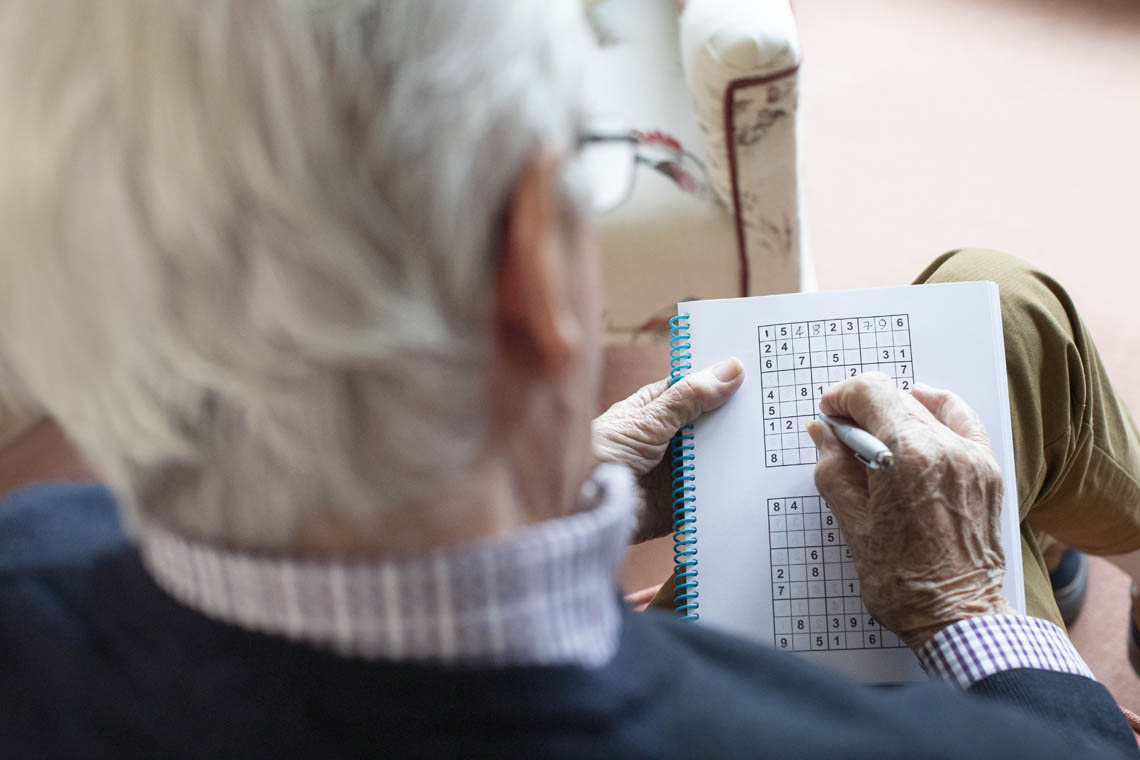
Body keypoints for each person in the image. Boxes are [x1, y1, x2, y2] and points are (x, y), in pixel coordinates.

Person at [0, 0, 1138, 756]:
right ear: (535, 271)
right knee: (1005, 309)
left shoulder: (29, 569)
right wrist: (967, 614)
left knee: (1000, 322)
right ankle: (1028, 557)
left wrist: (531, 494)